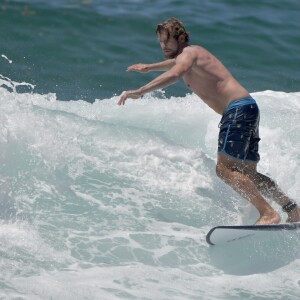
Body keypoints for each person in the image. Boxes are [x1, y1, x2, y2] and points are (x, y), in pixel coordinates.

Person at [118, 18, 299, 225]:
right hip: (247, 107)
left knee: (224, 170)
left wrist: (140, 91)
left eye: (168, 40)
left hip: (236, 111)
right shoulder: (191, 54)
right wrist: (150, 67)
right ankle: (292, 209)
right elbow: (175, 64)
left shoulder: (188, 54)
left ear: (182, 38)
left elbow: (176, 72)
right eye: (161, 42)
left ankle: (267, 213)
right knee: (248, 173)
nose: (164, 46)